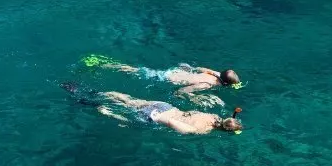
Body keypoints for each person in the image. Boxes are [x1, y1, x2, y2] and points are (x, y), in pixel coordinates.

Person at [61, 83, 243, 135]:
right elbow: (171, 123)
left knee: (128, 100)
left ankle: (98, 92)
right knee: (126, 120)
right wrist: (156, 118)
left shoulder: (212, 115)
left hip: (165, 106)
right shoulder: (203, 130)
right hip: (157, 115)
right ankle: (101, 109)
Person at [102, 62, 241, 107]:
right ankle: (107, 65)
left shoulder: (213, 73)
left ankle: (111, 66)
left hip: (177, 72)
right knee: (136, 72)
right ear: (225, 84)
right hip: (167, 79)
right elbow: (180, 91)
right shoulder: (207, 85)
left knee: (138, 72)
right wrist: (193, 98)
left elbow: (199, 68)